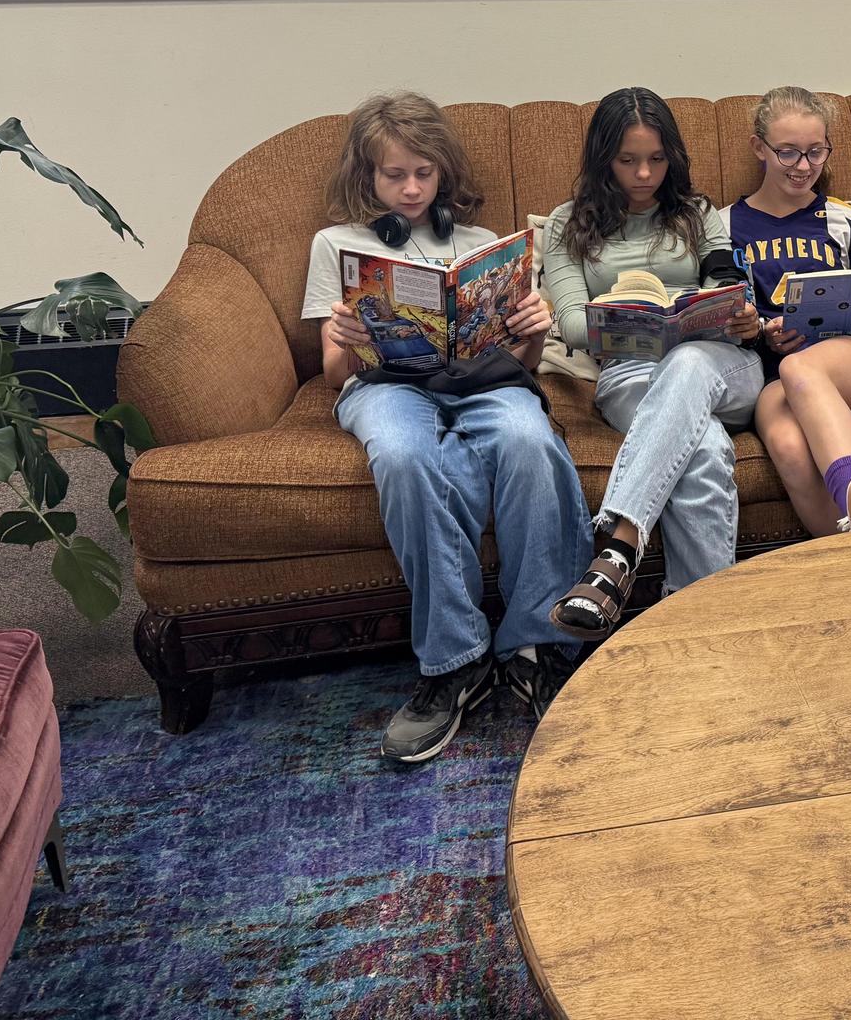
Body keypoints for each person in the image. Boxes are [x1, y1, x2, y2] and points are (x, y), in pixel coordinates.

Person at [303, 92, 590, 762]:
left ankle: (538, 642)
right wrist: (344, 335)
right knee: (404, 457)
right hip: (383, 384)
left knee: (529, 441)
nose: (409, 188)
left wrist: (531, 333)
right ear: (367, 177)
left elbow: (516, 367)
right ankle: (453, 662)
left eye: (422, 173)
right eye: (393, 174)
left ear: (443, 175)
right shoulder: (338, 246)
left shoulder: (480, 246)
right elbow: (331, 375)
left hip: (482, 381)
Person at [542, 87, 763, 638]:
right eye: (628, 160)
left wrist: (740, 314)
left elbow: (730, 287)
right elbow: (571, 324)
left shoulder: (699, 215)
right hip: (628, 374)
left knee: (688, 361)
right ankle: (702, 628)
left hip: (721, 367)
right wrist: (634, 315)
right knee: (706, 450)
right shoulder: (565, 225)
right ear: (603, 160)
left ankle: (619, 547)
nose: (644, 174)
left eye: (657, 160)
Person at [728, 86, 851, 535]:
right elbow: (730, 319)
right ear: (759, 148)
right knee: (786, 442)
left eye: (816, 153)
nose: (803, 167)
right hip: (774, 368)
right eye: (788, 153)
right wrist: (762, 330)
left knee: (800, 369)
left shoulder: (845, 221)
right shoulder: (727, 226)